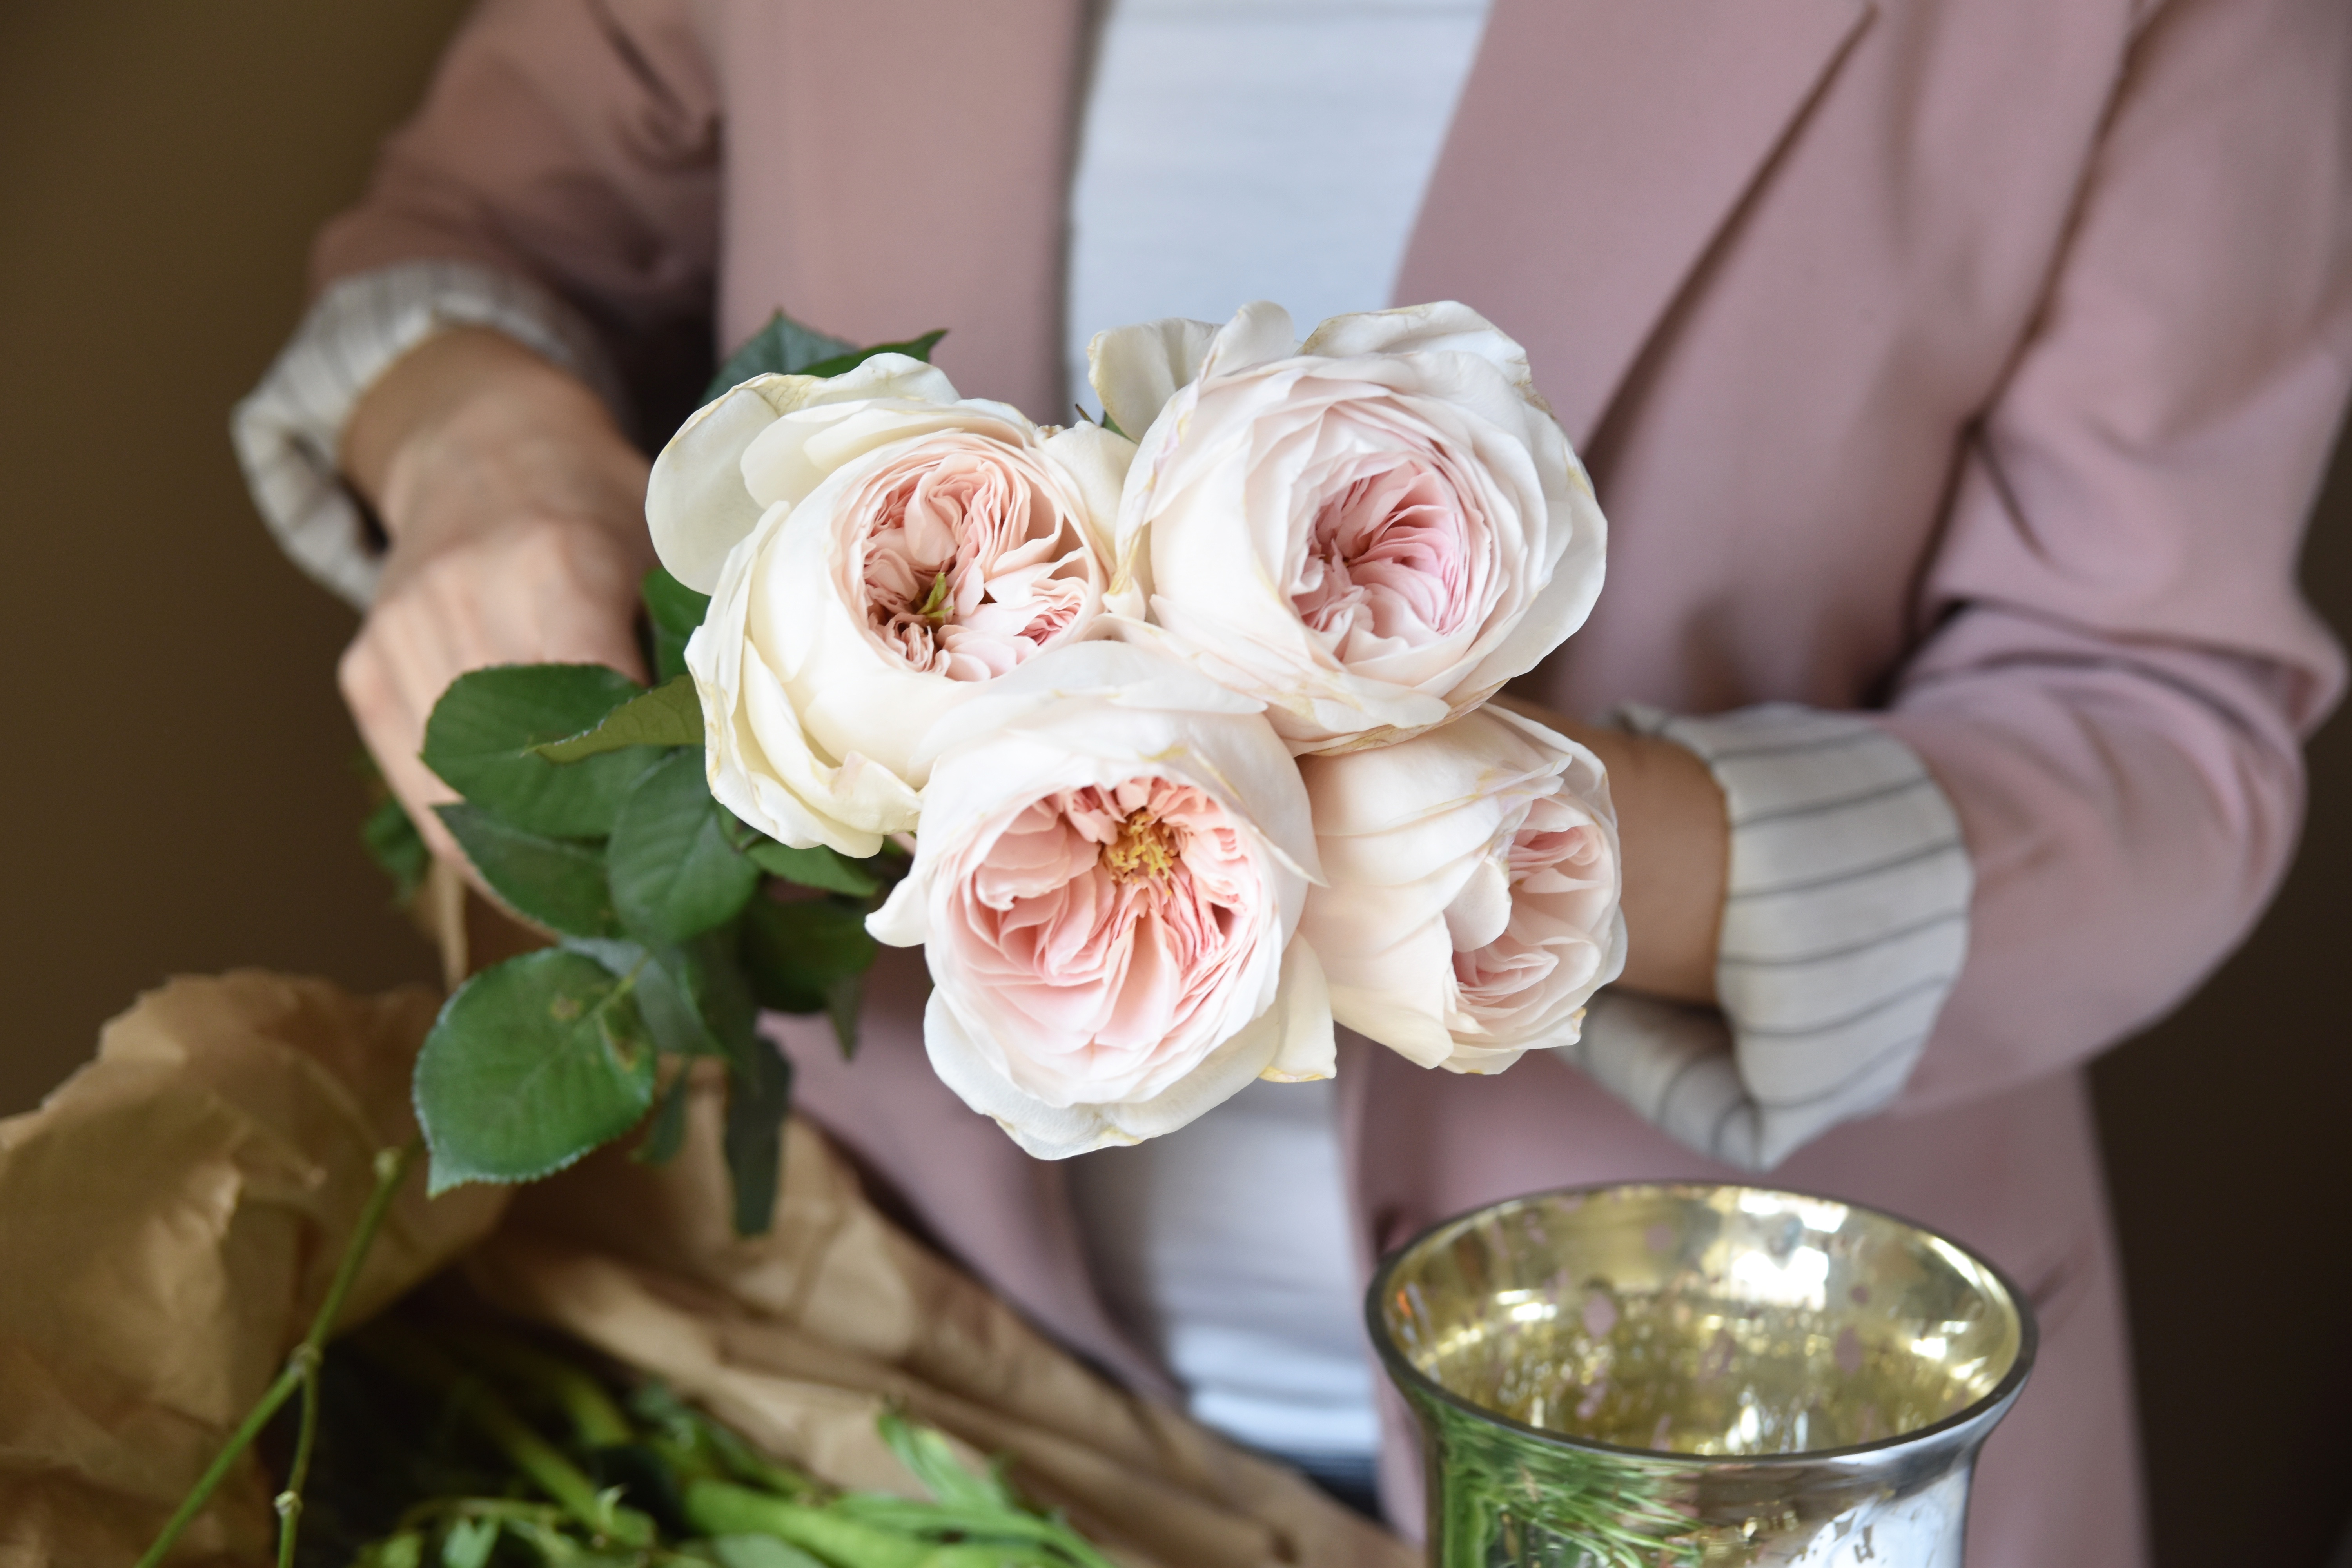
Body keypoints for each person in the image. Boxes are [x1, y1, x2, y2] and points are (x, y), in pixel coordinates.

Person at [233, 1, 2352, 1560]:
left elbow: (2158, 733)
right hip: (868, 1380)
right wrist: (489, 456)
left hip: (1732, 1434)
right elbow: (474, 237)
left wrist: (1561, 859)